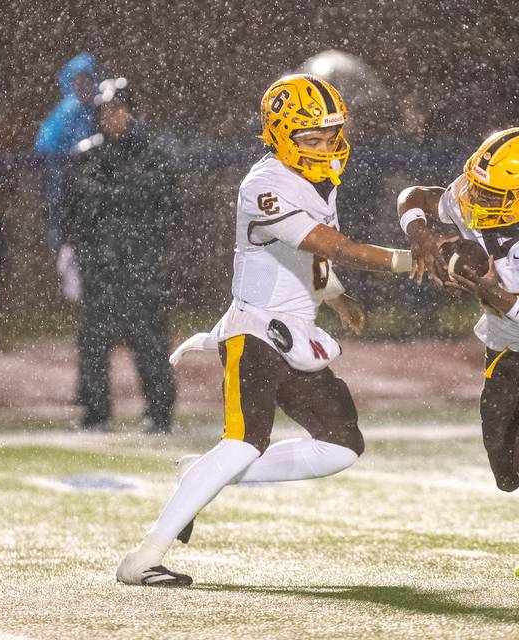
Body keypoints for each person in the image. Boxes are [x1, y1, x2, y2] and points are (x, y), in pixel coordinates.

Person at [116, 74, 413, 586]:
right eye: (312, 138)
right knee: (243, 442)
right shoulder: (264, 185)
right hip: (255, 330)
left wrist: (337, 297)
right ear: (280, 135)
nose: (325, 147)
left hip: (295, 333)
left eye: (331, 135)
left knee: (341, 445)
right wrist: (411, 261)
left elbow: (311, 255)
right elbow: (331, 245)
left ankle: (200, 473)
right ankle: (142, 558)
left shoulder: (319, 179)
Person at [397, 128, 519, 577]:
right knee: (506, 473)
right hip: (503, 346)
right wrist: (420, 233)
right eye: (477, 187)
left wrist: (496, 295)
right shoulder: (471, 198)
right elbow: (413, 196)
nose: (476, 199)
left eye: (492, 194)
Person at [63, 78, 176, 434]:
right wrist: (74, 252)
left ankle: (159, 412)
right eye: (106, 111)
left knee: (149, 340)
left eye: (118, 109)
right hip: (99, 266)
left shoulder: (152, 157)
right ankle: (95, 413)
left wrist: (155, 256)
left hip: (140, 266)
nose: (111, 117)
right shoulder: (87, 156)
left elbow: (167, 212)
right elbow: (73, 212)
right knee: (93, 342)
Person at [34, 53, 100, 302]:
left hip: (83, 187)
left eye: (87, 79)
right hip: (65, 187)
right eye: (78, 80)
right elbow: (46, 146)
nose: (83, 85)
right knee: (66, 237)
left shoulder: (94, 110)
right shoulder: (68, 111)